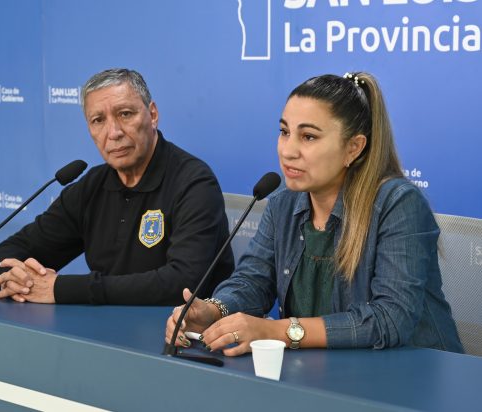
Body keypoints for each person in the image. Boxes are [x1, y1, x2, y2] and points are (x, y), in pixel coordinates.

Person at [166, 72, 463, 354]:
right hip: (328, 374)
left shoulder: (398, 203)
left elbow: (389, 319)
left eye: (308, 137)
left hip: (414, 375)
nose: (288, 150)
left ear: (354, 148)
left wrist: (276, 331)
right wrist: (214, 310)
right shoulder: (283, 204)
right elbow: (252, 281)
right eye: (284, 132)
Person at [0, 68, 234, 305]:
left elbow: (183, 283)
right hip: (103, 329)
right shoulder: (92, 186)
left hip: (181, 330)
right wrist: (16, 276)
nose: (113, 132)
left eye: (125, 114)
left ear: (152, 115)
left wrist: (60, 289)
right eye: (98, 120)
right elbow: (9, 250)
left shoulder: (194, 182)